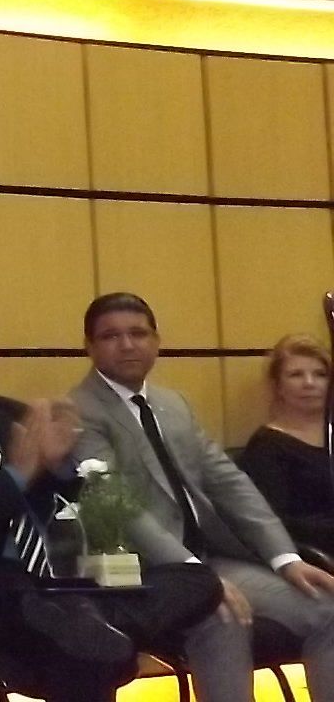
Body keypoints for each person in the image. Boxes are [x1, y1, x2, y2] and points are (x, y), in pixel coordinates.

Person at [0, 307, 220, 701]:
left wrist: (59, 468)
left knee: (200, 580)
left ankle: (98, 625)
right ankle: (94, 630)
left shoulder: (15, 415)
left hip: (63, 577)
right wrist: (16, 476)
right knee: (93, 654)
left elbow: (66, 505)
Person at [71, 292, 334, 702]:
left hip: (212, 557)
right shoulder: (79, 410)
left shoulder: (173, 404)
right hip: (141, 570)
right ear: (89, 347)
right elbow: (119, 506)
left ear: (156, 341)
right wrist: (197, 579)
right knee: (223, 616)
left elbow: (228, 481)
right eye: (111, 336)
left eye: (138, 333)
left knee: (327, 608)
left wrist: (286, 558)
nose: (127, 345)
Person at [239, 335, 334, 552]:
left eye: (320, 375)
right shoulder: (266, 446)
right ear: (278, 386)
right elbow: (276, 523)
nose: (309, 383)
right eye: (296, 375)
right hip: (313, 553)